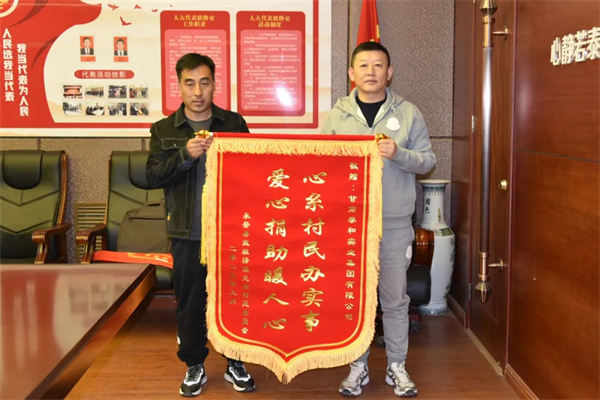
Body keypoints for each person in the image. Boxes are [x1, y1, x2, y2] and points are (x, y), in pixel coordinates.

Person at [321, 41, 435, 398]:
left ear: (390, 72)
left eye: (378, 65)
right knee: (355, 299)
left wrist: (399, 154)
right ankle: (357, 366)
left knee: (395, 299)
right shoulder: (335, 116)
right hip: (349, 224)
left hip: (395, 224)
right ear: (351, 73)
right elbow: (320, 164)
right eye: (363, 65)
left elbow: (428, 160)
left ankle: (396, 366)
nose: (370, 72)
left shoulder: (409, 113)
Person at [146, 53, 255, 397]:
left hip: (230, 231)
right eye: (190, 83)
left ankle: (236, 361)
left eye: (204, 83)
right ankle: (194, 363)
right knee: (191, 302)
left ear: (214, 84)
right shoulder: (163, 129)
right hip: (186, 231)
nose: (197, 91)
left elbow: (254, 172)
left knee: (234, 299)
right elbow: (152, 176)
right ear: (179, 86)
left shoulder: (234, 123)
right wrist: (185, 155)